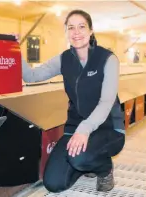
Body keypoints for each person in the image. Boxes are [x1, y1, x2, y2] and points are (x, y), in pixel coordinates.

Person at [22, 10, 126, 193]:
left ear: (91, 30)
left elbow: (106, 101)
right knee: (54, 183)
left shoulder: (107, 59)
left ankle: (104, 169)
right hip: (75, 127)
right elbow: (31, 76)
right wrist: (14, 49)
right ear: (66, 32)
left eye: (81, 26)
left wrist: (84, 130)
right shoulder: (64, 59)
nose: (76, 32)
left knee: (80, 157)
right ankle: (86, 164)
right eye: (71, 27)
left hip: (108, 128)